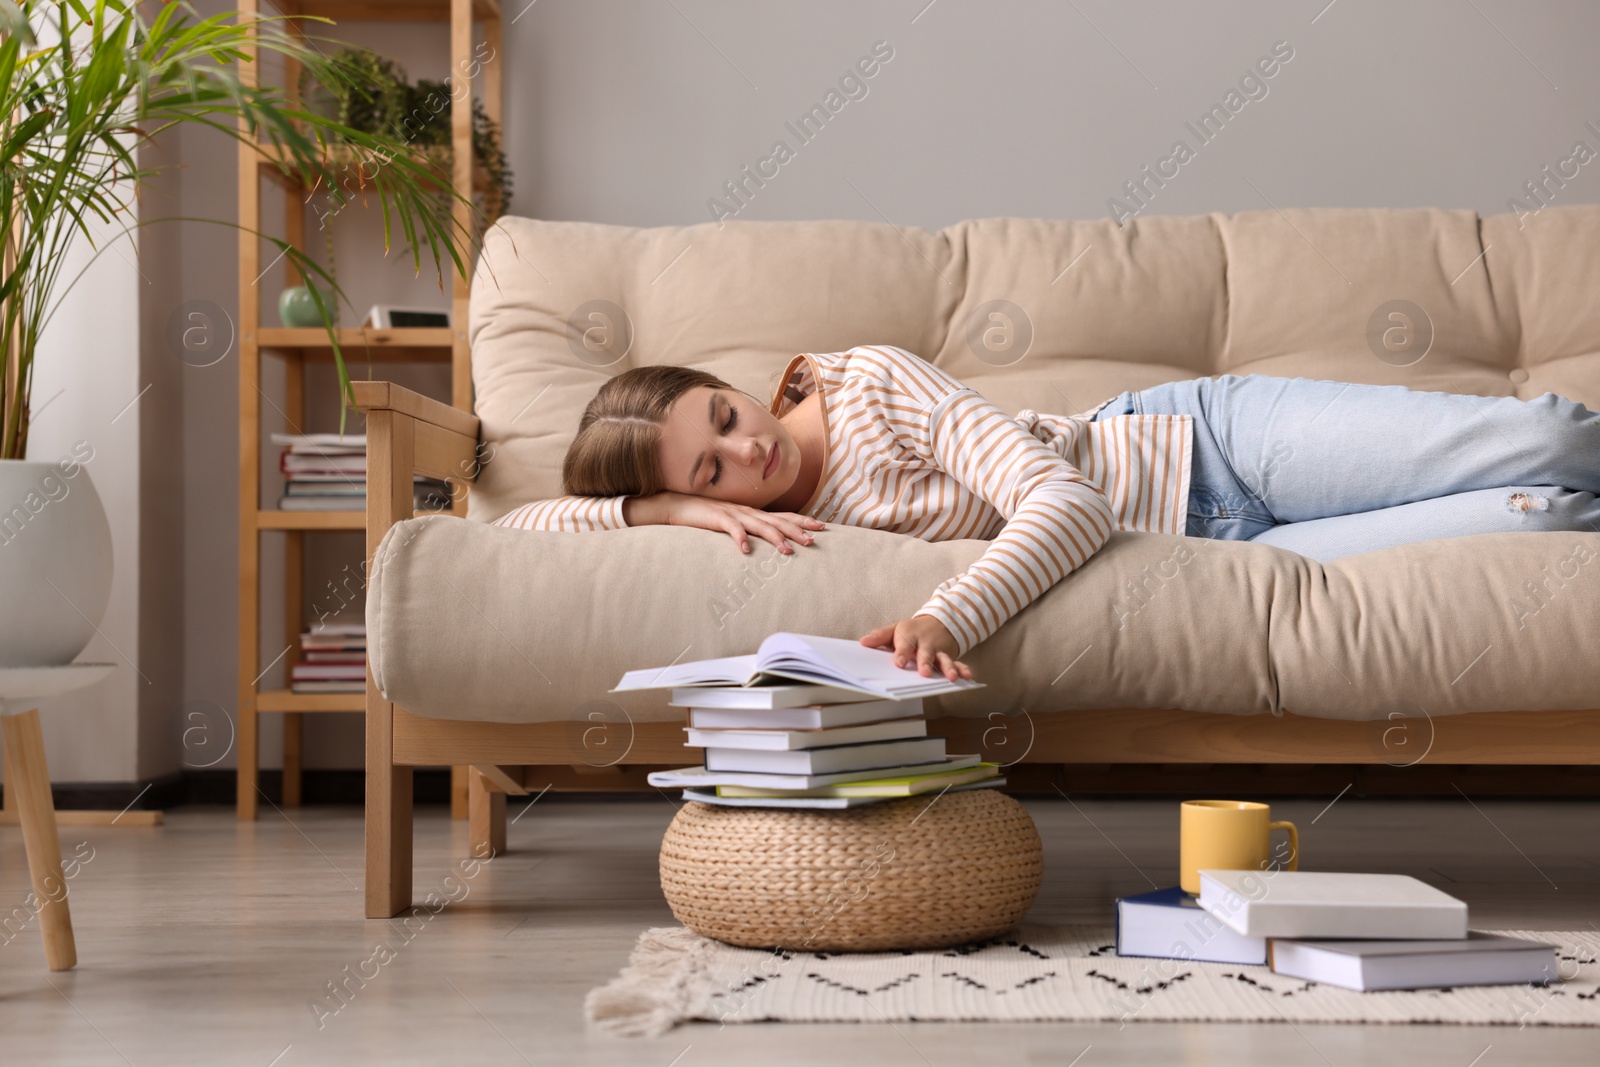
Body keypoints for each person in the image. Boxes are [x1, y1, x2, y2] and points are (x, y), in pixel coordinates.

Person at [493, 345, 1600, 683]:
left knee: (1554, 437)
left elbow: (1062, 499)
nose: (750, 449)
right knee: (1545, 517)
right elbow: (513, 533)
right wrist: (664, 509)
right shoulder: (737, 509)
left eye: (725, 415)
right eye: (716, 467)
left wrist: (950, 614)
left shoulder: (870, 382)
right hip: (1218, 554)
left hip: (1202, 442)